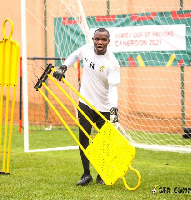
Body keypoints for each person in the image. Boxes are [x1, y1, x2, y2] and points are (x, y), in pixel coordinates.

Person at [53, 28, 120, 186]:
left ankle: (101, 174)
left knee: (105, 143)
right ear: (93, 39)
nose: (100, 42)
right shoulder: (86, 50)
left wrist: (114, 109)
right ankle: (86, 174)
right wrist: (63, 67)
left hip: (103, 107)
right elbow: (75, 55)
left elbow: (113, 89)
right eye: (97, 39)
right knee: (83, 139)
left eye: (103, 39)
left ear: (108, 42)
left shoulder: (112, 63)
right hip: (85, 103)